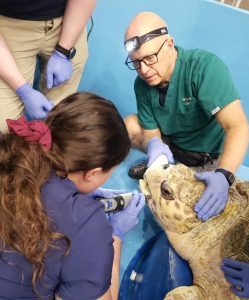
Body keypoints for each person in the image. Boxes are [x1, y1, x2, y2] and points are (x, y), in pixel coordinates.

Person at [0, 92, 145, 299]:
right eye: (109, 172)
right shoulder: (87, 225)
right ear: (92, 173)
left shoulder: (10, 153)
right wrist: (115, 237)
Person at [123, 12, 249, 221]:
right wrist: (155, 145)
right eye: (136, 62)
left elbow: (238, 127)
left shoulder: (204, 68)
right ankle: (160, 165)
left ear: (170, 44)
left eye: (149, 58)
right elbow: (150, 130)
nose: (144, 70)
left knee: (203, 216)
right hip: (173, 150)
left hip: (209, 159)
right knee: (128, 126)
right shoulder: (142, 84)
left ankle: (207, 176)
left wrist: (224, 175)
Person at [0, 0, 96, 132]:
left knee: (61, 115)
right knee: (4, 129)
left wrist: (63, 52)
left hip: (67, 14)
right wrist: (23, 90)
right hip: (8, 20)